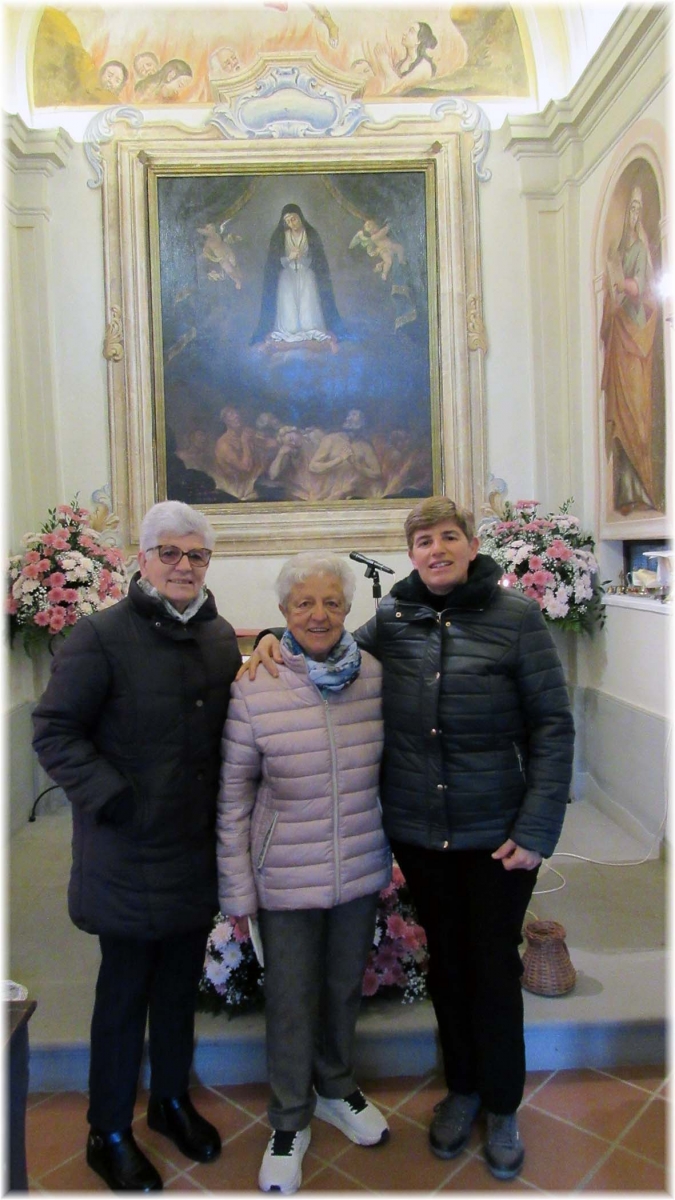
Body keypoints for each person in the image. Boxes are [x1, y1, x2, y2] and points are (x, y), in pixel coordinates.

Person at [245, 496, 575, 1182]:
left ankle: (502, 1105)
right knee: (447, 966)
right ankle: (462, 1091)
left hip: (497, 836)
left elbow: (552, 725)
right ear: (411, 553)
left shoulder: (517, 618)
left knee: (492, 968)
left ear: (471, 544)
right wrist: (270, 639)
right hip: (422, 835)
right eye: (423, 541)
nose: (436, 550)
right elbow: (328, 644)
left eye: (448, 537)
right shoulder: (394, 618)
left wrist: (537, 827)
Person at [32, 501, 242, 1192]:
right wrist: (116, 798)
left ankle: (171, 1102)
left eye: (197, 555)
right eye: (170, 553)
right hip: (126, 850)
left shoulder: (217, 637)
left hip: (191, 849)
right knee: (123, 995)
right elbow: (54, 730)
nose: (184, 566)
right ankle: (109, 1129)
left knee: (180, 987)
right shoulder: (100, 636)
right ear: (143, 559)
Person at [217, 551, 391, 1194]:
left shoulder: (373, 675)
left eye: (331, 603)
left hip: (358, 866)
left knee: (343, 987)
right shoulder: (254, 684)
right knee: (291, 1000)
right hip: (285, 874)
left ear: (348, 609)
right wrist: (238, 887)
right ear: (283, 612)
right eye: (303, 604)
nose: (319, 615)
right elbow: (234, 796)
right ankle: (289, 1118)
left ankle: (336, 1087)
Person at [601, 185, 659, 513]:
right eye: (631, 209)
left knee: (636, 411)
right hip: (621, 335)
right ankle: (627, 489)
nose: (634, 214)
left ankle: (645, 486)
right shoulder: (620, 251)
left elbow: (641, 285)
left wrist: (619, 282)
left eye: (638, 209)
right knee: (623, 416)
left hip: (636, 333)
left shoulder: (640, 250)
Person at [251, 203, 344, 346]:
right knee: (290, 319)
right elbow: (274, 262)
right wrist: (290, 258)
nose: (291, 223)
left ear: (300, 217)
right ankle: (290, 328)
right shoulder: (281, 236)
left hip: (306, 272)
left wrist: (303, 258)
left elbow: (318, 261)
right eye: (288, 221)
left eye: (293, 219)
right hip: (287, 273)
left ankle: (310, 328)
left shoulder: (310, 234)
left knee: (309, 291)